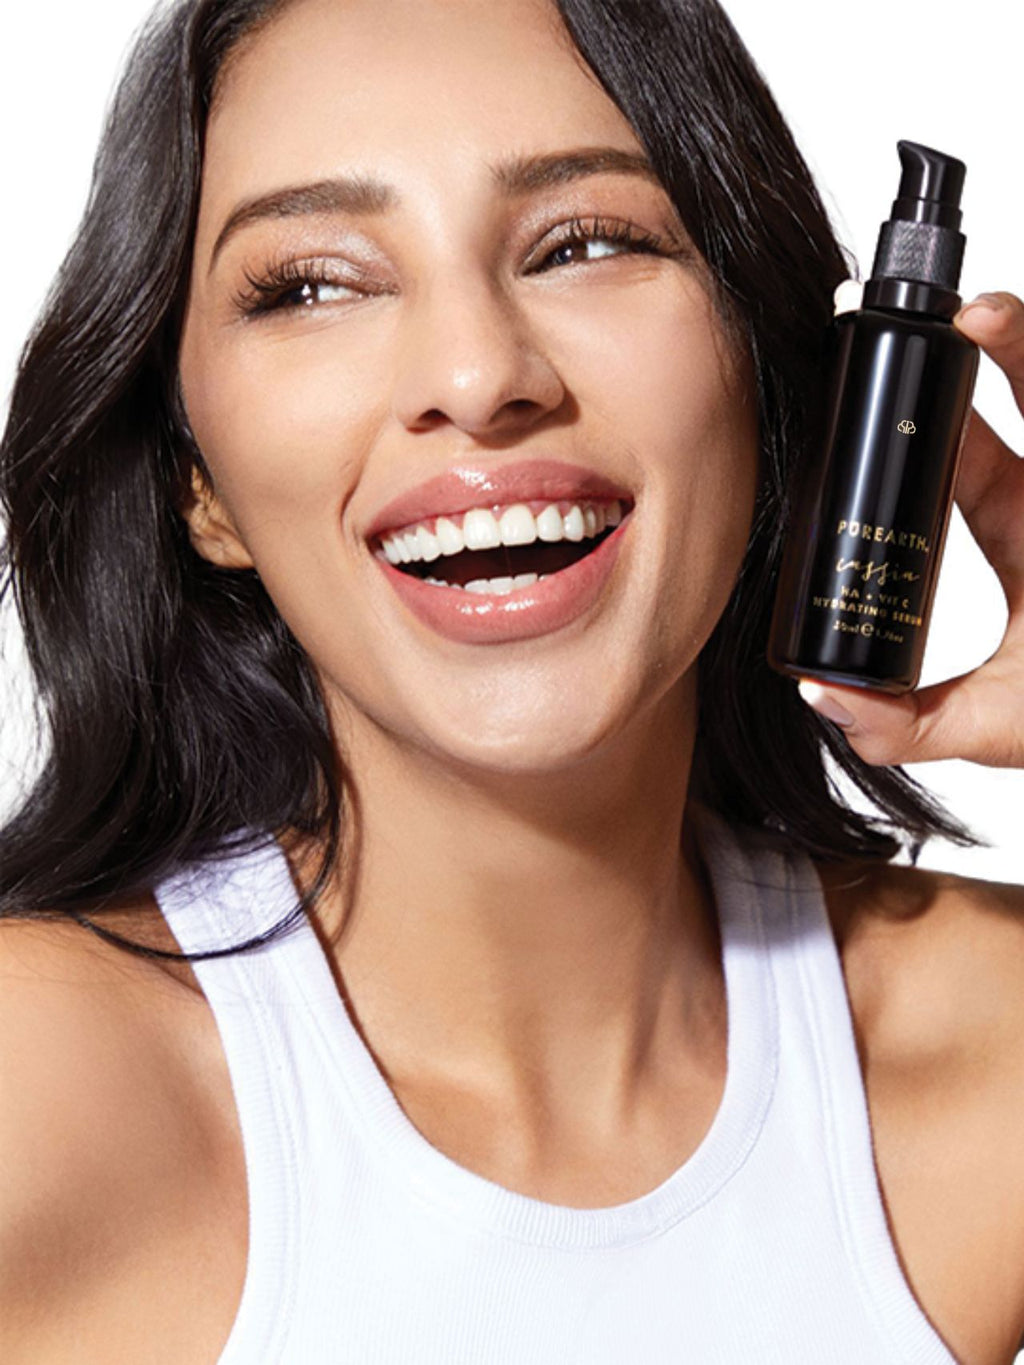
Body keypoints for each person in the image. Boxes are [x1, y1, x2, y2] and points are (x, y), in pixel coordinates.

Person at [1, 0, 1022, 1361]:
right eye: (312, 284)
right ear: (201, 485)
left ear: (769, 380)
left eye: (586, 243)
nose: (478, 376)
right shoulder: (37, 1095)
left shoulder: (994, 1056)